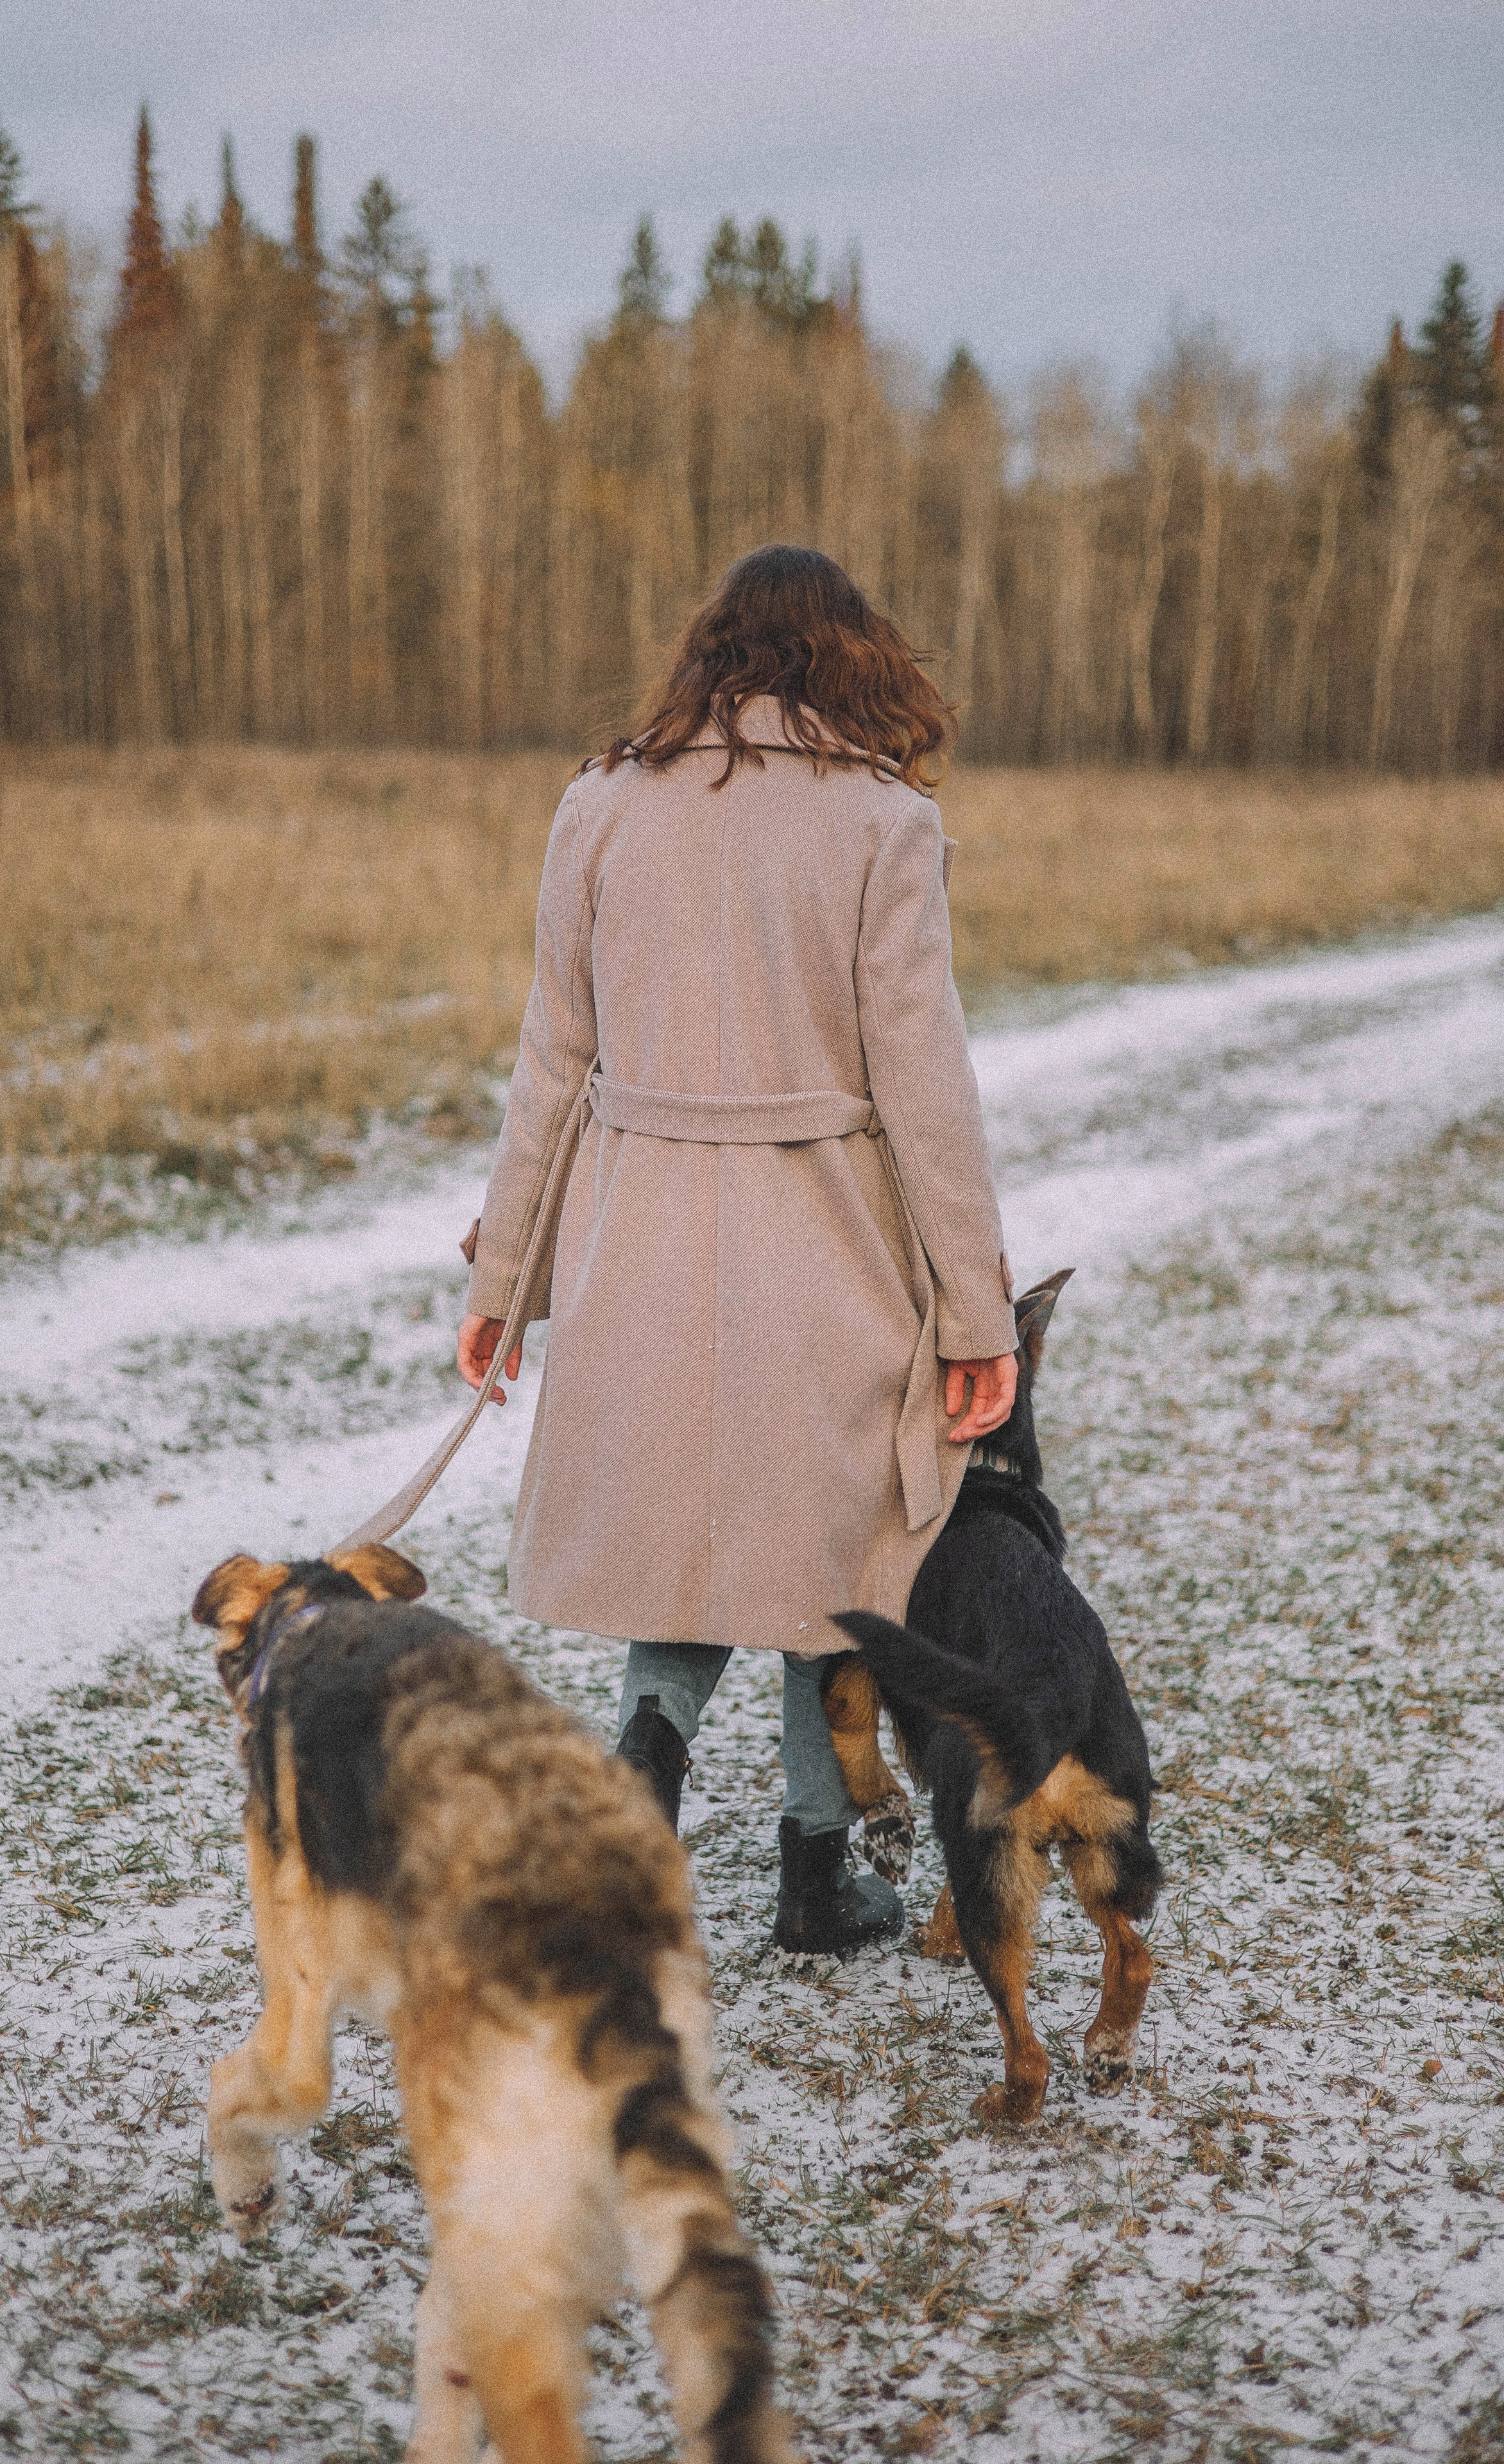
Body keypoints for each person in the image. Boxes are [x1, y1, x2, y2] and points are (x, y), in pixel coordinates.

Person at [457, 543, 1018, 1955]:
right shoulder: (880, 822)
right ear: (851, 657)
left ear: (707, 653)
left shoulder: (597, 804)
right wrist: (975, 1315)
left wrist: (502, 1287)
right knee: (825, 1550)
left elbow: (548, 1064)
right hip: (821, 1235)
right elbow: (925, 1087)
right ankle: (815, 1876)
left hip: (633, 1227)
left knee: (683, 1535)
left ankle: (640, 1787)